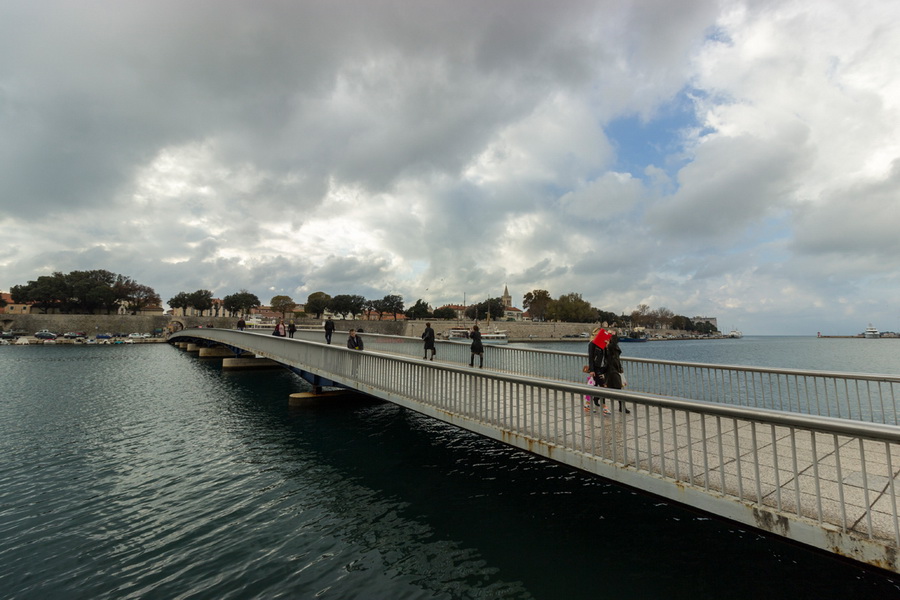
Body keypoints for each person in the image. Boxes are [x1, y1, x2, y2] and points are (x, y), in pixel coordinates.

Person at [603, 333, 630, 413]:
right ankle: (621, 407)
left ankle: (621, 406)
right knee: (617, 388)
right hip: (612, 370)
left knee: (614, 388)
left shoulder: (612, 347)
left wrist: (620, 367)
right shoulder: (611, 347)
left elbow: (617, 359)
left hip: (613, 369)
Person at [588, 327, 611, 409]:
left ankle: (595, 399)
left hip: (603, 367)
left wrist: (607, 347)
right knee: (602, 385)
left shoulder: (603, 344)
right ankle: (603, 404)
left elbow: (607, 356)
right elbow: (590, 357)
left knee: (597, 385)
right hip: (596, 367)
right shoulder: (592, 344)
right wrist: (591, 370)